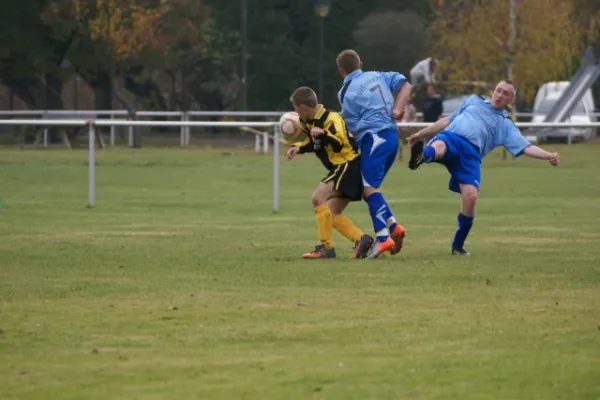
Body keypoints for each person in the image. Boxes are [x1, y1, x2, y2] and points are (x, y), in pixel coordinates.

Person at [406, 79, 560, 255]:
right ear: (493, 92)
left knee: (470, 198)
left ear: (511, 101)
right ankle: (420, 157)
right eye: (498, 90)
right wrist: (419, 134)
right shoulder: (473, 101)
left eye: (506, 93)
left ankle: (457, 247)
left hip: (471, 155)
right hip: (452, 138)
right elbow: (446, 121)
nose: (500, 95)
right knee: (439, 147)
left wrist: (548, 155)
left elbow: (526, 147)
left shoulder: (505, 124)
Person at [336, 49, 412, 259]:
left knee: (369, 189)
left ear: (340, 70)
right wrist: (398, 108)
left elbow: (351, 128)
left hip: (374, 139)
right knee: (370, 190)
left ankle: (382, 238)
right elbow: (406, 85)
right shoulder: (378, 75)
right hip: (390, 138)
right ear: (361, 63)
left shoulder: (344, 92)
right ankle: (393, 226)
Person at [286, 86, 374, 259]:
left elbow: (338, 143)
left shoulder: (332, 118)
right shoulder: (309, 122)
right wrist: (299, 148)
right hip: (343, 168)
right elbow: (315, 142)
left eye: (295, 108)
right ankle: (362, 240)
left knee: (318, 198)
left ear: (304, 107)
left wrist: (324, 133)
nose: (294, 112)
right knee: (331, 215)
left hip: (347, 166)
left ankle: (326, 248)